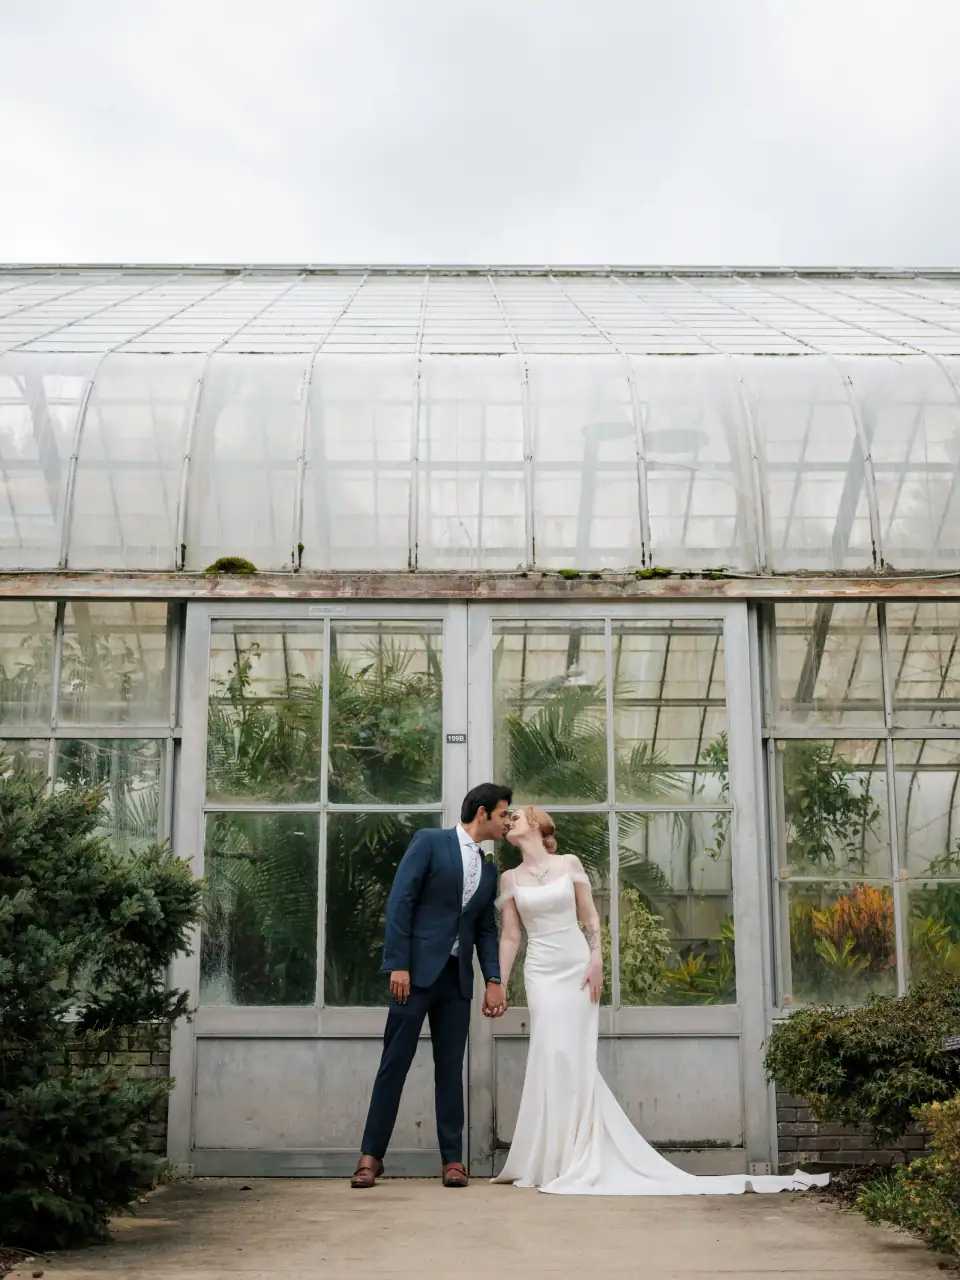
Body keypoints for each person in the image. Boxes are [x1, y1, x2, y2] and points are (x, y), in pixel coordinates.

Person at [492, 805, 829, 1196]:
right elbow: (512, 936)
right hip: (541, 971)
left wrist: (597, 957)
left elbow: (590, 917)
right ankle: (549, 1157)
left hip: (575, 966)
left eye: (514, 817)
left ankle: (574, 1154)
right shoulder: (509, 878)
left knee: (573, 1056)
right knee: (551, 1053)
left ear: (534, 823)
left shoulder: (569, 863)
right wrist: (497, 981)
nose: (508, 822)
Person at [351, 783, 512, 1190]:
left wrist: (493, 979)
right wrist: (398, 964)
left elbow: (485, 929)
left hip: (456, 981)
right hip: (414, 975)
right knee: (395, 1063)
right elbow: (400, 902)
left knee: (450, 1070)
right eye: (503, 814)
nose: (507, 822)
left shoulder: (490, 869)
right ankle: (370, 1156)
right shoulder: (430, 842)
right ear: (481, 813)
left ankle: (453, 1160)